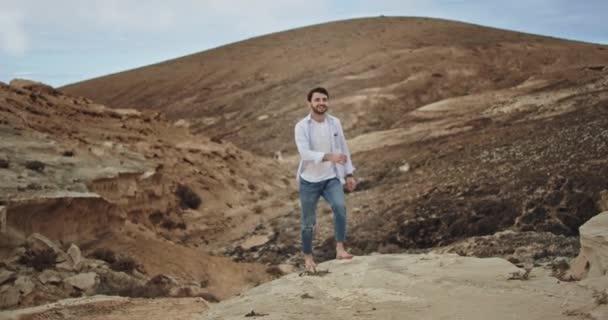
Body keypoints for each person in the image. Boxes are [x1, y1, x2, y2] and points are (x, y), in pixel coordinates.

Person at [294, 87, 357, 272]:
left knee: (340, 207)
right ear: (310, 103)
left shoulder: (334, 122)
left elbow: (343, 148)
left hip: (331, 177)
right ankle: (308, 258)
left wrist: (349, 173)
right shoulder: (301, 126)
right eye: (317, 100)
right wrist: (330, 157)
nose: (321, 103)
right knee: (308, 222)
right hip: (309, 181)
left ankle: (340, 249)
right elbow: (304, 153)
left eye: (324, 99)